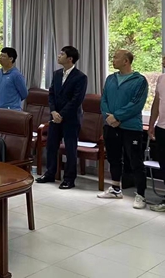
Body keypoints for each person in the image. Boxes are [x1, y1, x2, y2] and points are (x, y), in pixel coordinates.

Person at [98, 49, 148, 209]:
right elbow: (104, 99)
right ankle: (115, 189)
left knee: (135, 161)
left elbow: (136, 104)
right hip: (110, 125)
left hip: (131, 127)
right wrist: (109, 117)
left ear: (126, 61)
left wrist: (117, 117)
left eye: (116, 57)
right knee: (113, 157)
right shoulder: (110, 79)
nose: (113, 59)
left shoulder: (139, 80)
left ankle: (140, 194)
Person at [35, 46, 88, 189]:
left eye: (62, 54)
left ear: (70, 59)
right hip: (55, 116)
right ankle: (50, 173)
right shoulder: (57, 74)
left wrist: (61, 114)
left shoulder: (80, 77)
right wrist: (53, 111)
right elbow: (51, 94)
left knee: (70, 149)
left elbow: (76, 100)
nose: (59, 56)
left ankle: (69, 179)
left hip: (71, 119)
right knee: (51, 146)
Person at [149, 55, 165, 212]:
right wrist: (151, 124)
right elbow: (156, 102)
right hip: (161, 128)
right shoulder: (161, 78)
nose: (163, 60)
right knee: (163, 165)